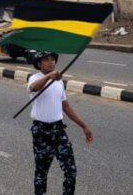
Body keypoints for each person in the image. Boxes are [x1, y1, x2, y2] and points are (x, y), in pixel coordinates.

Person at [27, 52, 93, 195]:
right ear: (39, 64)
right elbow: (34, 88)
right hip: (41, 132)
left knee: (71, 171)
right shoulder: (35, 78)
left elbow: (66, 107)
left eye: (53, 60)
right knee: (41, 173)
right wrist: (48, 77)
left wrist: (84, 126)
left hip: (59, 131)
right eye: (46, 60)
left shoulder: (59, 82)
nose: (51, 62)